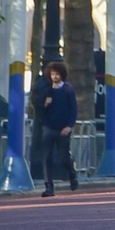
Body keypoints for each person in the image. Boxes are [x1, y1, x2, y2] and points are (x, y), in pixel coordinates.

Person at [39, 62, 78, 197]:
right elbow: (40, 111)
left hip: (63, 129)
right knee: (47, 157)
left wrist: (69, 126)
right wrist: (45, 104)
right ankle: (49, 186)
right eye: (53, 74)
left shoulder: (68, 90)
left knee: (63, 157)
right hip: (49, 128)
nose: (55, 77)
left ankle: (72, 173)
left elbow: (73, 109)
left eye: (57, 74)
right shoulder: (47, 91)